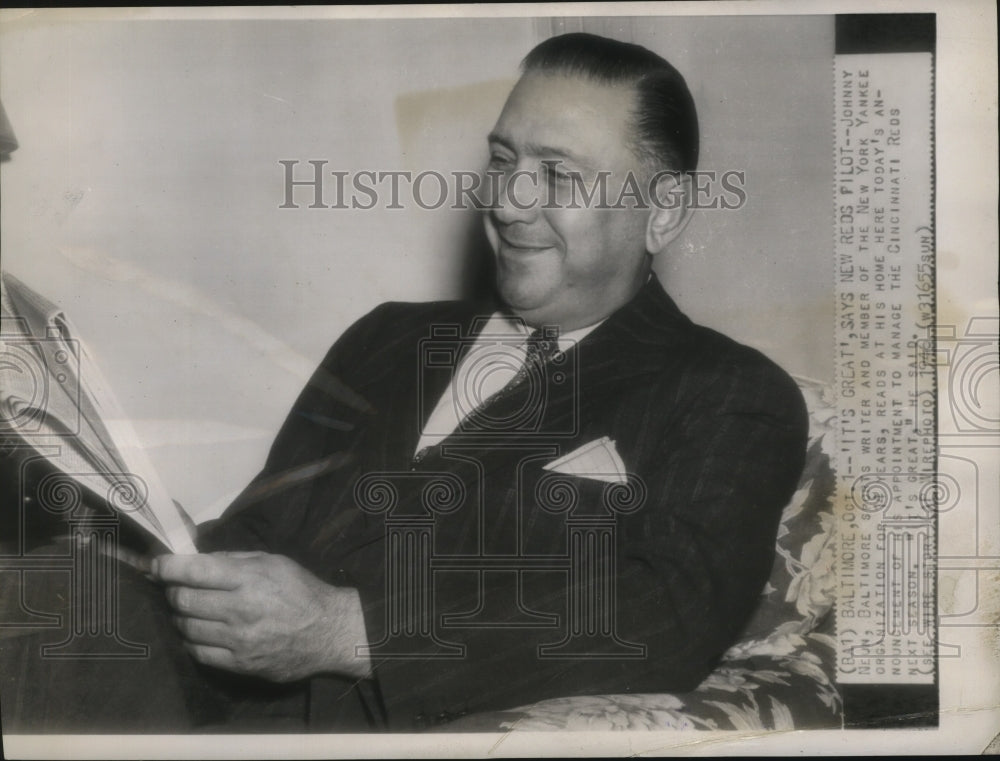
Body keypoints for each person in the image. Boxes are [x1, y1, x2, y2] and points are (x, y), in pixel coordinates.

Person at [1, 33, 807, 732]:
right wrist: (160, 539)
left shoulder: (729, 391)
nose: (507, 201)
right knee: (49, 578)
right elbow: (266, 531)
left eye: (557, 175)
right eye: (501, 160)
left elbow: (664, 621)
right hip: (206, 700)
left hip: (383, 732)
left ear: (664, 211)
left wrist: (351, 634)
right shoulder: (389, 337)